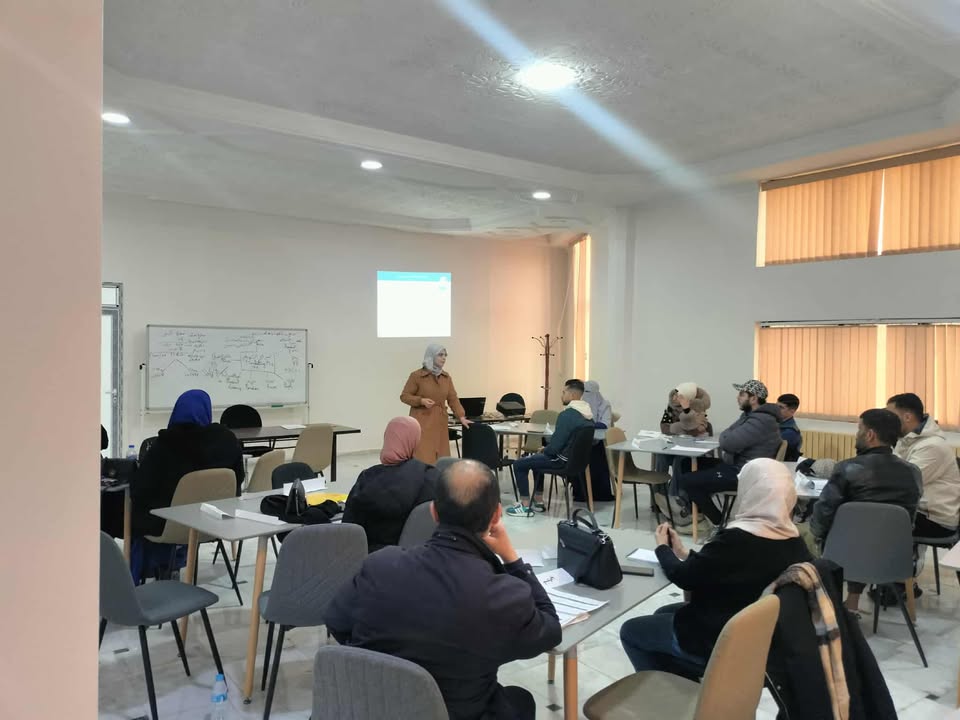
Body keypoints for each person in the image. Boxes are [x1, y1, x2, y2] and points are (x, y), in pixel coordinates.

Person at [327, 460, 560, 720]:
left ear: (434, 512)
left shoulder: (379, 565)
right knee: (520, 700)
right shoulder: (501, 596)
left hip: (374, 709)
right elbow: (550, 630)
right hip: (457, 712)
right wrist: (513, 560)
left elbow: (336, 621)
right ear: (496, 515)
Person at [620, 459, 810, 677]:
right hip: (758, 638)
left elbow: (684, 577)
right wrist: (684, 554)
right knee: (663, 613)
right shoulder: (795, 542)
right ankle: (681, 679)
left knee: (630, 631)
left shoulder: (736, 540)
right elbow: (720, 567)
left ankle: (664, 688)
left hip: (715, 638)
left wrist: (663, 548)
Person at [809, 408, 921, 612]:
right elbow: (910, 519)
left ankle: (822, 608)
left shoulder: (846, 469)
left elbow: (823, 514)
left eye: (859, 429)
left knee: (812, 534)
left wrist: (815, 533)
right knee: (864, 533)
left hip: (844, 557)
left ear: (870, 434)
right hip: (895, 557)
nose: (856, 434)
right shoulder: (913, 472)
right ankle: (852, 603)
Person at [129, 389, 244, 579]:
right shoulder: (227, 441)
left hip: (168, 526)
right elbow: (238, 478)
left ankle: (155, 567)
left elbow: (140, 488)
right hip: (214, 522)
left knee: (137, 510)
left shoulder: (164, 445)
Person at [679, 380, 782, 525]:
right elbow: (728, 435)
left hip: (744, 473)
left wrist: (726, 438)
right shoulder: (750, 416)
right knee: (686, 463)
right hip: (738, 465)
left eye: (742, 394)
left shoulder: (761, 421)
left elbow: (728, 443)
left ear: (753, 399)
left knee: (688, 480)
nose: (737, 397)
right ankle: (697, 511)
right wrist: (726, 437)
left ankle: (718, 521)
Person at [342, 417, 439, 552]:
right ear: (415, 442)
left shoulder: (367, 478)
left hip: (370, 557)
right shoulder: (431, 476)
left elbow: (348, 528)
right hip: (418, 556)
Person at [505, 379, 594, 516]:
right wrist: (546, 451)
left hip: (561, 461)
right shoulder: (588, 415)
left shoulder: (567, 415)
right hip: (577, 463)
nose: (561, 395)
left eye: (563, 392)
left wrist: (545, 449)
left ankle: (524, 505)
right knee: (536, 460)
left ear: (571, 395)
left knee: (519, 464)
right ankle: (538, 501)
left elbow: (554, 448)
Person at [887, 393, 960, 539]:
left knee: (874, 520)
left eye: (890, 416)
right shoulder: (906, 440)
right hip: (917, 509)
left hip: (936, 520)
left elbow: (904, 483)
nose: (887, 421)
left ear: (907, 417)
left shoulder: (933, 446)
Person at [401, 344, 471, 464]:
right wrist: (421, 401)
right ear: (431, 356)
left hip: (440, 422)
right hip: (422, 422)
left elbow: (453, 398)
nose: (444, 358)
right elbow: (405, 396)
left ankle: (438, 476)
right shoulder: (417, 376)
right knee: (424, 457)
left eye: (445, 355)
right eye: (440, 355)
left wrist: (461, 416)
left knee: (441, 458)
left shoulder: (446, 377)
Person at [580, 380, 615, 502]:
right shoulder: (580, 404)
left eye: (589, 392)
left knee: (597, 456)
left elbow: (605, 424)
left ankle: (601, 493)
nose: (587, 395)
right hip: (583, 440)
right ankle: (581, 493)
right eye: (584, 392)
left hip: (599, 442)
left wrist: (587, 424)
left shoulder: (605, 405)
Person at [777, 393, 803, 462]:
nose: (777, 409)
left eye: (781, 407)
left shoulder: (790, 432)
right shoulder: (775, 423)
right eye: (776, 406)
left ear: (792, 411)